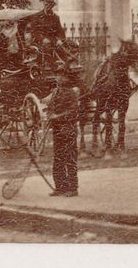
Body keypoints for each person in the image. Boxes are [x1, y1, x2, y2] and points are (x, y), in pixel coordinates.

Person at [47, 66, 81, 197]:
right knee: (58, 159)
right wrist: (49, 115)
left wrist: (58, 116)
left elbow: (73, 111)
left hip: (69, 129)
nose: (58, 78)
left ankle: (73, 188)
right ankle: (60, 187)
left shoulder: (71, 93)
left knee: (70, 159)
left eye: (61, 75)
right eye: (57, 75)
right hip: (57, 130)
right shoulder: (55, 92)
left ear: (66, 78)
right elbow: (50, 108)